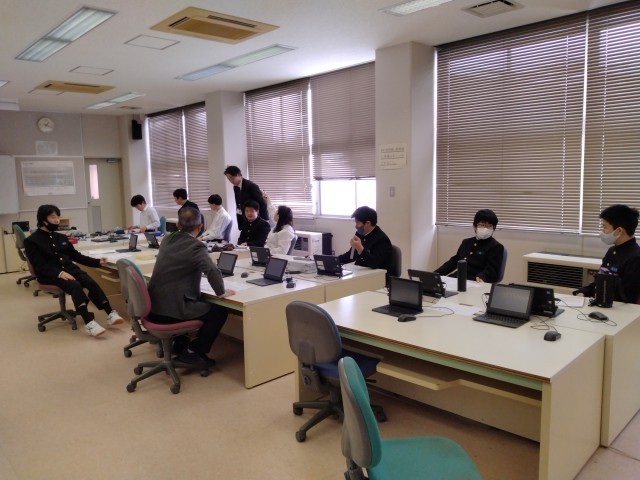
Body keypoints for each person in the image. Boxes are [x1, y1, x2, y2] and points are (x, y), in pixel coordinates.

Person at [147, 207, 235, 368]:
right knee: (219, 312)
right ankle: (193, 351)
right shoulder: (196, 246)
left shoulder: (167, 239)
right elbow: (212, 270)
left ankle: (179, 343)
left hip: (153, 307)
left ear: (178, 225)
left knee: (200, 301)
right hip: (172, 310)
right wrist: (221, 292)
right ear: (200, 227)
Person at [24, 204, 124, 337]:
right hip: (49, 274)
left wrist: (97, 262)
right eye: (53, 217)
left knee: (90, 282)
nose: (57, 220)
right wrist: (59, 273)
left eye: (58, 217)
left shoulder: (61, 237)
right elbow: (39, 266)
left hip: (70, 269)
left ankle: (110, 313)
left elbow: (76, 256)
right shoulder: (32, 241)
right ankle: (89, 323)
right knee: (75, 285)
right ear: (43, 219)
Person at [574, 204, 640, 303]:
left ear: (619, 231)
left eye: (605, 227)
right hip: (603, 303)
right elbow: (600, 281)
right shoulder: (612, 251)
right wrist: (582, 292)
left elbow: (626, 297)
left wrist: (595, 298)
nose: (602, 231)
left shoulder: (635, 258)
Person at [435, 209, 504, 283]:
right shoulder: (466, 242)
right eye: (482, 225)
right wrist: (435, 274)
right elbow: (454, 261)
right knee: (436, 287)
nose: (485, 228)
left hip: (476, 281)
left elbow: (492, 269)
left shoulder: (496, 247)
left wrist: (482, 276)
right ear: (475, 226)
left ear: (493, 229)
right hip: (457, 278)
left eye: (489, 226)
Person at [338, 206, 392, 275]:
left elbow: (375, 263)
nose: (356, 226)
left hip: (377, 276)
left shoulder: (382, 240)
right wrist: (335, 260)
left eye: (358, 223)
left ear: (368, 223)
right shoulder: (360, 234)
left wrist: (360, 249)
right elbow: (351, 256)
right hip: (360, 273)